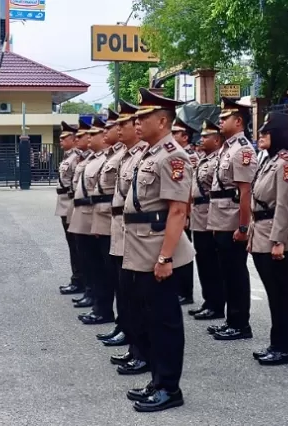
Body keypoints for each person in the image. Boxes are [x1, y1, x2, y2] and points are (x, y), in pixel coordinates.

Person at [123, 88, 194, 412]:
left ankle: (170, 388)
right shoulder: (150, 154)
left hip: (157, 250)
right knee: (149, 319)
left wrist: (165, 257)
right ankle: (157, 380)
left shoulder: (173, 156)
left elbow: (178, 211)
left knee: (165, 321)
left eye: (144, 116)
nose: (137, 121)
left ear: (162, 120)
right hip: (140, 247)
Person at [248, 113, 288, 366]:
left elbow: (285, 205)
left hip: (276, 235)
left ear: (279, 135)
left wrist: (278, 240)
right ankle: (276, 343)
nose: (260, 137)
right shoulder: (268, 160)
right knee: (274, 293)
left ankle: (284, 348)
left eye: (266, 133)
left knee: (281, 294)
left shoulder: (286, 163)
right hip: (262, 231)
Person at [207, 98, 258, 341]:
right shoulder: (228, 148)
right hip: (221, 217)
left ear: (238, 122)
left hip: (232, 219)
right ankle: (231, 320)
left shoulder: (243, 150)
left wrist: (243, 226)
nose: (220, 120)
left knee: (236, 272)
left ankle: (240, 323)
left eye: (225, 117)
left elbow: (245, 191)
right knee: (226, 272)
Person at [106, 100, 151, 373]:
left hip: (140, 234)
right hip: (122, 229)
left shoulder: (145, 155)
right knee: (125, 292)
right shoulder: (127, 155)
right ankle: (133, 345)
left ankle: (141, 351)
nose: (120, 129)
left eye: (125, 123)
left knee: (138, 298)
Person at [74, 116, 116, 325]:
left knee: (106, 270)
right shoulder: (95, 158)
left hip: (107, 217)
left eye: (94, 133)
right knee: (93, 265)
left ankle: (104, 309)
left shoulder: (113, 158)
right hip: (93, 214)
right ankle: (100, 306)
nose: (89, 137)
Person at [91, 110, 128, 337]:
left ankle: (128, 330)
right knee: (112, 275)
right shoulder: (116, 155)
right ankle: (123, 326)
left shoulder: (129, 154)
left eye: (110, 127)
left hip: (128, 225)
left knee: (125, 284)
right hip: (111, 219)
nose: (107, 131)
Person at [188, 120, 226, 321]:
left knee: (212, 263)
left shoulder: (218, 160)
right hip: (198, 214)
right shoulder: (204, 159)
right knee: (202, 261)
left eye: (206, 136)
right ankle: (208, 301)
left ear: (217, 139)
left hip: (210, 214)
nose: (201, 139)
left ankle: (216, 304)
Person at [170, 117, 199, 306]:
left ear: (185, 136)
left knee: (184, 252)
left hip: (186, 209)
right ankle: (179, 289)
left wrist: (187, 213)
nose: (172, 136)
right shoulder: (178, 153)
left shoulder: (189, 156)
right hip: (181, 208)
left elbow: (188, 187)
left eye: (175, 133)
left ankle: (185, 291)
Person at [68, 119, 95, 310]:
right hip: (77, 207)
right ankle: (88, 290)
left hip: (94, 212)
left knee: (94, 259)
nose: (78, 140)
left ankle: (93, 294)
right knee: (81, 253)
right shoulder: (84, 158)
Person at [57, 122, 84, 296]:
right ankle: (77, 278)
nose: (60, 140)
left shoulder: (76, 158)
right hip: (64, 202)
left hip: (71, 203)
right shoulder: (68, 157)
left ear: (73, 139)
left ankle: (80, 280)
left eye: (63, 138)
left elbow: (77, 185)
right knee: (72, 245)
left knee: (77, 246)